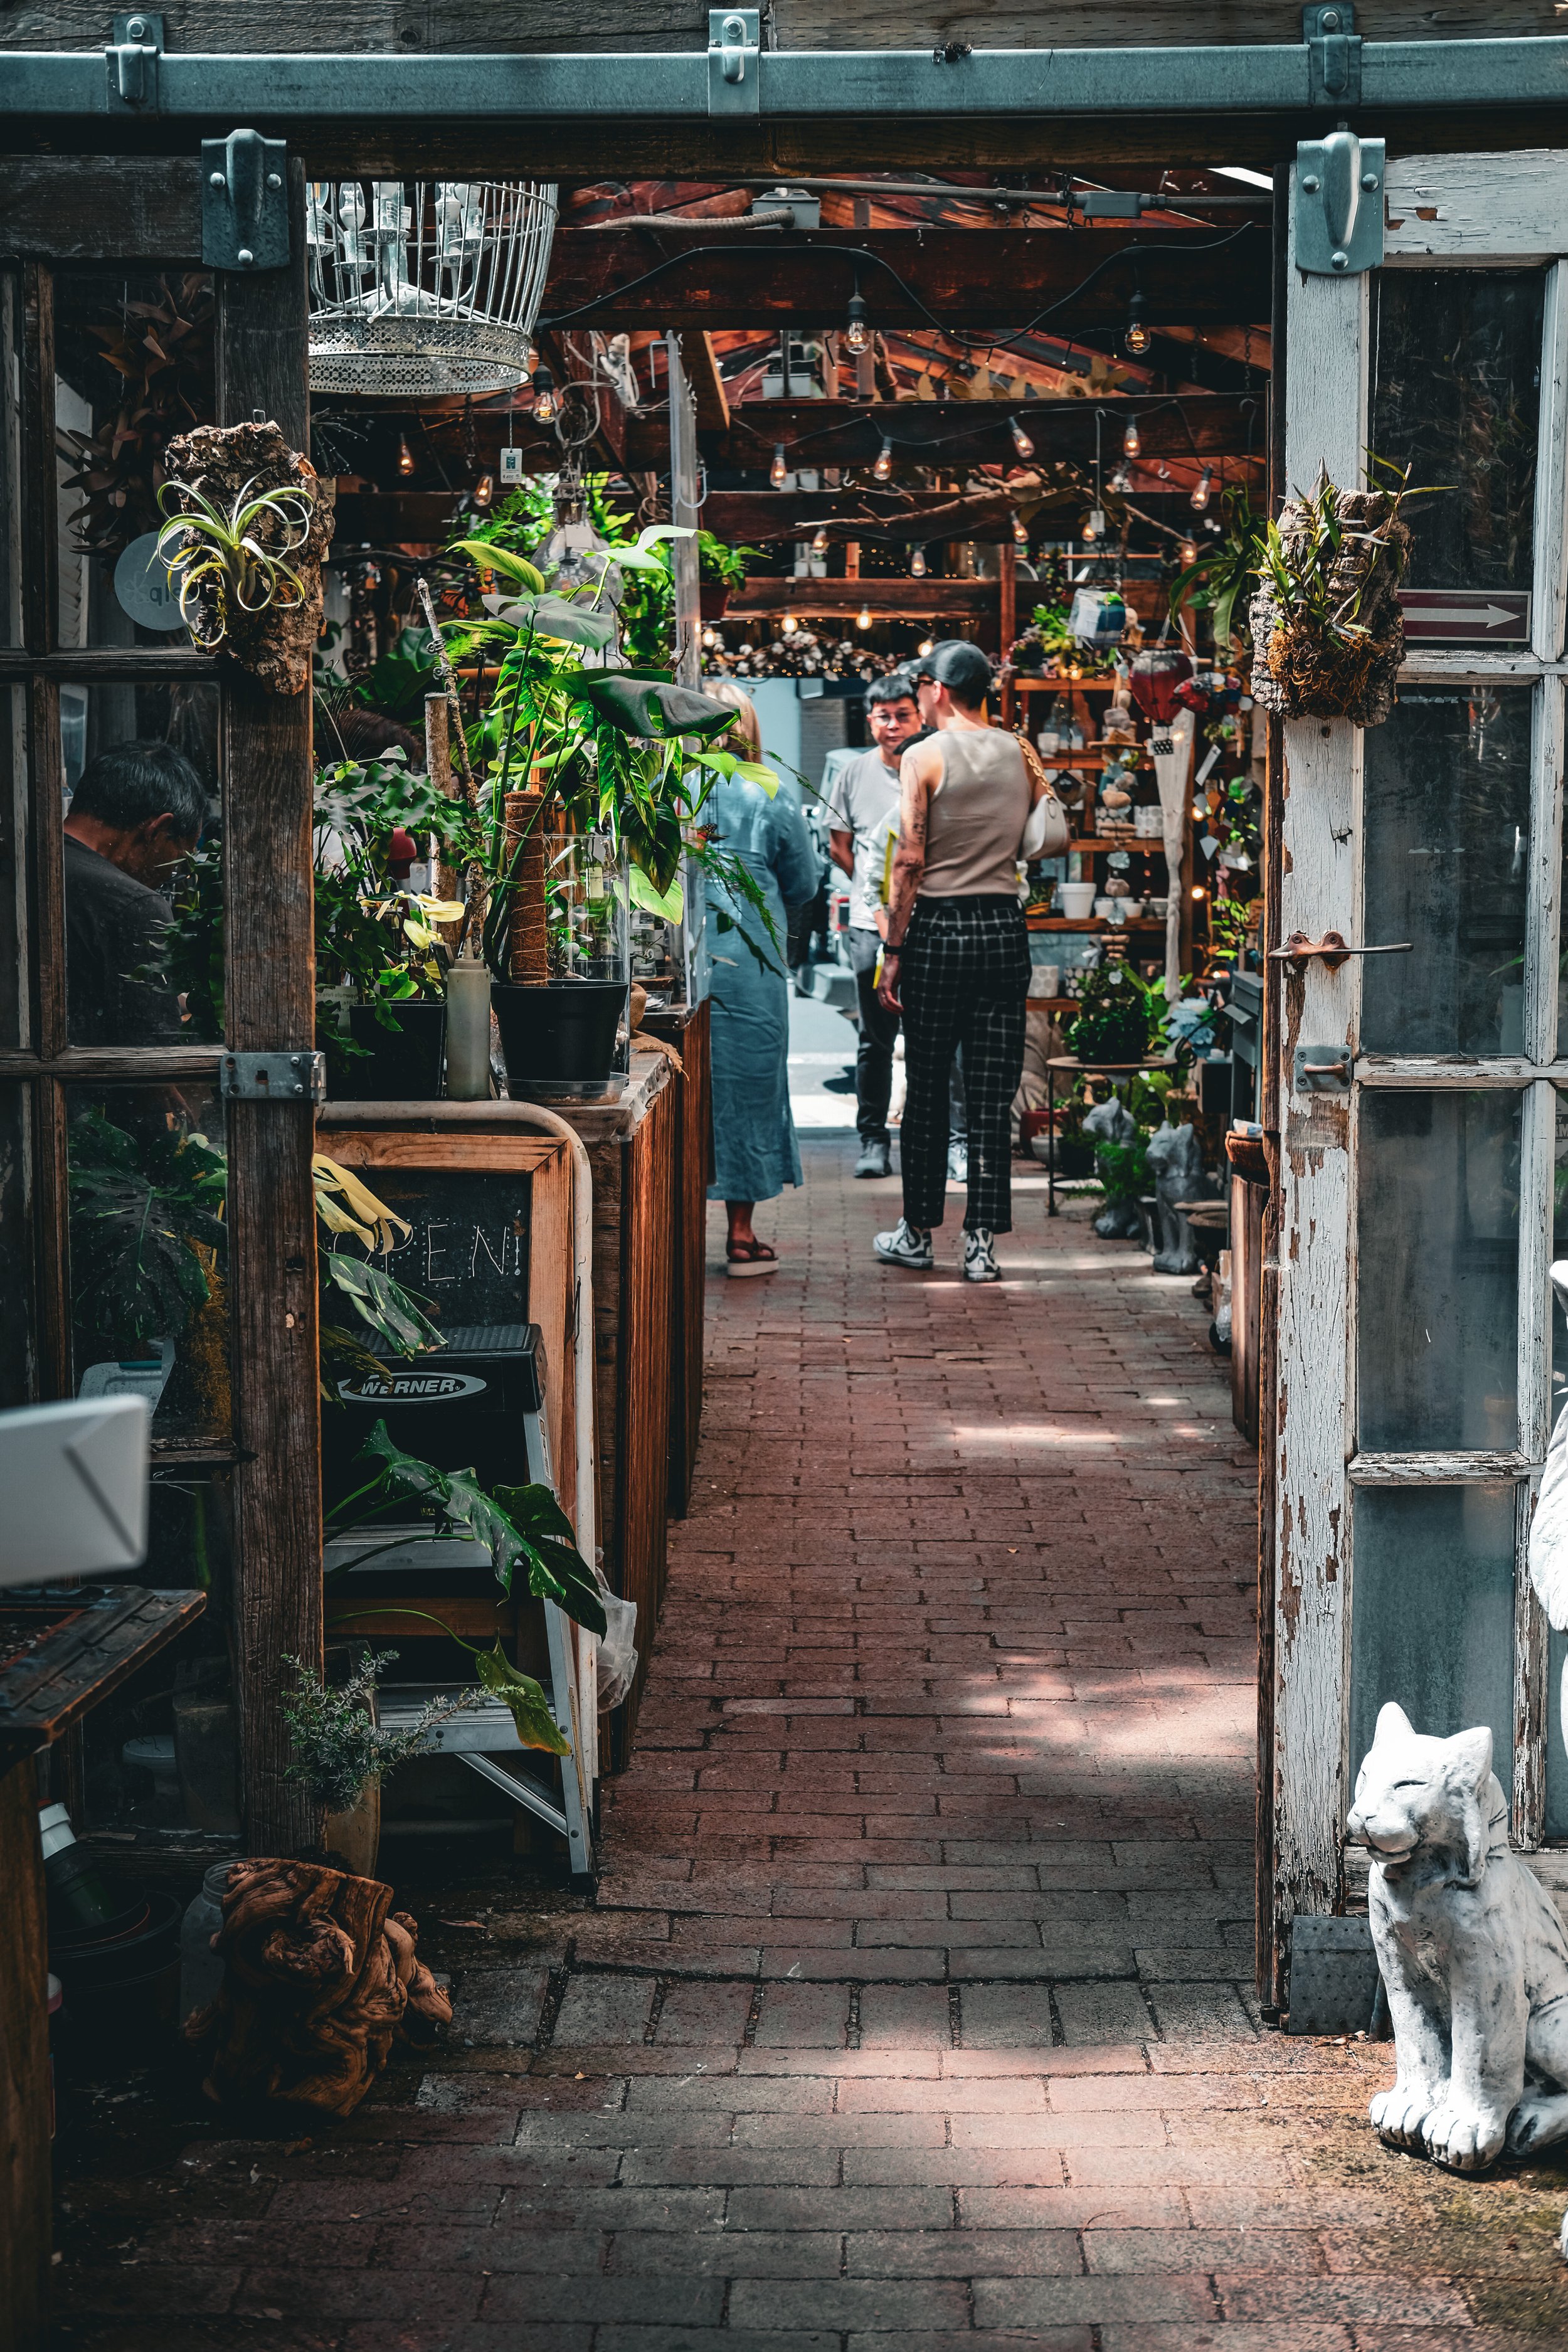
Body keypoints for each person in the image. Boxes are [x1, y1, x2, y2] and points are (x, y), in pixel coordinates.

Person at [872, 639, 1048, 1284]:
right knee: (990, 1091)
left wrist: (892, 949)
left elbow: (910, 858)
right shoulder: (1019, 751)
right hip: (1004, 926)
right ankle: (981, 1245)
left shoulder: (923, 755)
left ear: (937, 689)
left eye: (921, 686)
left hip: (940, 929)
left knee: (926, 1088)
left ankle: (917, 1232)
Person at [701, 681, 820, 1276]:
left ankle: (666, 1227)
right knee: (749, 1086)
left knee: (682, 1093)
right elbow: (804, 883)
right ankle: (741, 1234)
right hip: (749, 962)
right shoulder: (770, 789)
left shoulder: (666, 790)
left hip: (677, 960)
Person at [824, 672, 924, 1179]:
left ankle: (936, 1140)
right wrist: (869, 885)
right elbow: (839, 843)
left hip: (925, 920)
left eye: (902, 714)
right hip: (869, 925)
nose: (893, 725)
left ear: (921, 714)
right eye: (883, 716)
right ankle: (873, 1140)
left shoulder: (931, 766)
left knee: (931, 1036)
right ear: (870, 720)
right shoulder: (855, 772)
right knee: (875, 1038)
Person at [63, 739, 207, 1047]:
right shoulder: (133, 905)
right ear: (157, 830)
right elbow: (153, 1074)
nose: (170, 875)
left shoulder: (24, 866)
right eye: (178, 860)